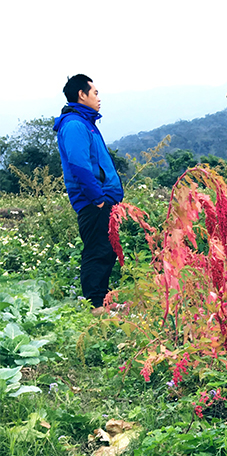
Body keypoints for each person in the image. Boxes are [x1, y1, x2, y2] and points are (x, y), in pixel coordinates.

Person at [54, 74, 125, 315]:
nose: (99, 98)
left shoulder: (86, 123)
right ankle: (95, 305)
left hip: (103, 199)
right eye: (95, 93)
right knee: (97, 250)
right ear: (81, 95)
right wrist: (97, 198)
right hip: (94, 201)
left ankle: (103, 300)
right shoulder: (74, 124)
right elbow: (79, 164)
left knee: (107, 249)